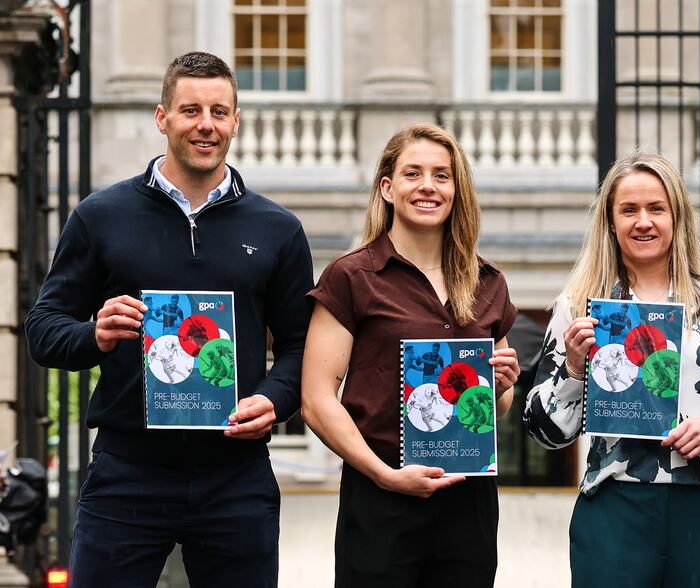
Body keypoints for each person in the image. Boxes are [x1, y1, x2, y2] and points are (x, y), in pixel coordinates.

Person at [24, 52, 313, 587]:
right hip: (127, 473)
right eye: (191, 110)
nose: (206, 124)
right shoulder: (101, 216)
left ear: (235, 121)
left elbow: (303, 347)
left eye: (219, 112)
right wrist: (96, 334)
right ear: (163, 118)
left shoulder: (279, 229)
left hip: (237, 475)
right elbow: (42, 329)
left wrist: (275, 398)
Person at [524, 152, 700, 587]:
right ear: (610, 223)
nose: (644, 222)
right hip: (614, 509)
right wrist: (575, 370)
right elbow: (544, 431)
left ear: (677, 217)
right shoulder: (579, 305)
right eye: (629, 210)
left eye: (657, 208)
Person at [300, 123, 520, 587]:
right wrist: (384, 476)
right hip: (382, 496)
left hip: (468, 499)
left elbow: (498, 407)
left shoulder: (487, 282)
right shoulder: (352, 277)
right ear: (388, 187)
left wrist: (503, 385)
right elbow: (317, 401)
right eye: (413, 173)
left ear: (457, 190)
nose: (427, 186)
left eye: (442, 175)